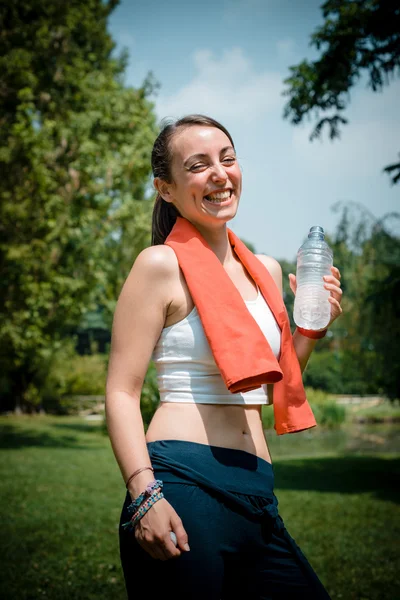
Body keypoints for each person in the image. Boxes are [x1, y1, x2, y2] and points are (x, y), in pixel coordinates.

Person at [105, 114, 343, 599]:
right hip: (182, 482)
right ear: (165, 188)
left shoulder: (266, 271)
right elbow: (121, 392)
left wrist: (311, 330)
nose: (219, 173)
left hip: (257, 490)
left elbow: (274, 381)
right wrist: (145, 495)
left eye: (227, 159)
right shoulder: (160, 266)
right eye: (198, 165)